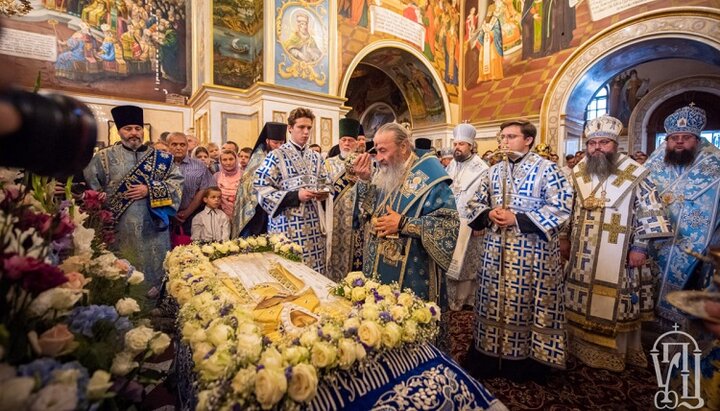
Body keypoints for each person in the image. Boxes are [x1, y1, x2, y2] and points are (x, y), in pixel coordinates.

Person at [464, 120, 573, 379]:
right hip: (495, 253)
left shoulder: (548, 169)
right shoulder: (493, 171)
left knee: (527, 306)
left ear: (528, 140)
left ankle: (528, 362)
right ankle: (489, 356)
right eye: (502, 136)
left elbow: (561, 207)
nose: (504, 141)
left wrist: (517, 219)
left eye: (511, 136)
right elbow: (472, 204)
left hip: (532, 255)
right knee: (492, 301)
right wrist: (489, 212)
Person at [564, 115, 672, 372]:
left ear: (615, 145)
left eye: (604, 142)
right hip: (583, 251)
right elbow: (569, 207)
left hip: (620, 250)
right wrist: (563, 237)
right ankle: (578, 347)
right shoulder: (579, 172)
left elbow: (651, 211)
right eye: (592, 143)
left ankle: (617, 352)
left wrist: (640, 247)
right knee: (580, 296)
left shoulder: (635, 172)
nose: (597, 148)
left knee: (617, 301)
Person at [353, 122, 459, 302]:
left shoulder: (430, 177)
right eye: (376, 151)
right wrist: (364, 180)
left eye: (383, 151)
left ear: (403, 147)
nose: (378, 158)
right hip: (378, 262)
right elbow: (368, 211)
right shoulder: (386, 172)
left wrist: (404, 224)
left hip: (414, 269)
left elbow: (448, 226)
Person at [83, 105, 183, 289]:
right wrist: (100, 201)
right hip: (120, 227)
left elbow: (177, 185)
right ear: (118, 131)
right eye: (128, 129)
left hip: (153, 226)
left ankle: (156, 303)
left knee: (156, 270)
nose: (134, 133)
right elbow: (91, 188)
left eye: (138, 128)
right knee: (122, 270)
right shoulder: (103, 157)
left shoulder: (162, 158)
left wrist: (149, 189)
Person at [645, 104, 720, 325]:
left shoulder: (714, 165)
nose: (679, 141)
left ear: (697, 140)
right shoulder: (654, 163)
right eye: (674, 137)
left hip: (694, 244)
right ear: (666, 141)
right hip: (656, 239)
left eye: (685, 137)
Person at [254, 108, 330, 273]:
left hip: (314, 226)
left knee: (314, 271)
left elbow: (326, 182)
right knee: (289, 273)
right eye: (301, 127)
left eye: (309, 128)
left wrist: (323, 193)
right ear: (290, 128)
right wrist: (296, 196)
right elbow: (261, 188)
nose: (305, 132)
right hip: (285, 225)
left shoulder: (316, 158)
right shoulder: (276, 156)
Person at [444, 123, 488, 311]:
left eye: (462, 144)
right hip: (450, 222)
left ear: (471, 145)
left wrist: (481, 222)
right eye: (455, 144)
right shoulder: (452, 165)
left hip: (470, 224)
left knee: (467, 265)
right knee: (450, 262)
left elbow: (487, 197)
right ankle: (449, 299)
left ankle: (466, 300)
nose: (457, 148)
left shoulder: (482, 168)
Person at [231, 122, 287, 238]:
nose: (278, 146)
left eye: (281, 143)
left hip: (278, 204)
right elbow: (250, 183)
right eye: (275, 143)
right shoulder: (258, 157)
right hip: (257, 207)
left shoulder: (286, 156)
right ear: (267, 141)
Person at [325, 118, 361, 281]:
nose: (347, 143)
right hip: (334, 220)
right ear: (339, 142)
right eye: (343, 140)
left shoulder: (365, 163)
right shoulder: (328, 164)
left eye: (351, 140)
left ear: (356, 142)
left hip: (357, 222)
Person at [168, 132, 215, 235]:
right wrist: (170, 213)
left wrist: (187, 212)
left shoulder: (199, 166)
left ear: (187, 146)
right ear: (168, 146)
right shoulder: (160, 165)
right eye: (174, 144)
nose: (178, 148)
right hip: (164, 216)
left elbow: (204, 189)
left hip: (191, 216)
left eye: (182, 145)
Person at [214, 149, 242, 219]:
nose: (228, 162)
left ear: (236, 159)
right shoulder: (216, 176)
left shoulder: (244, 175)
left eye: (231, 159)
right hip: (221, 216)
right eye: (224, 160)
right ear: (220, 161)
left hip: (241, 215)